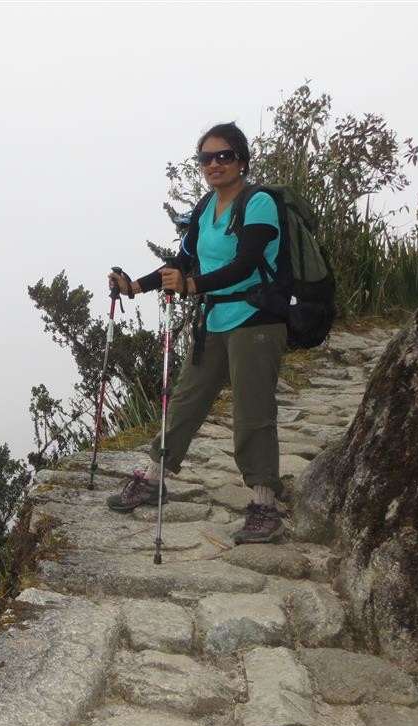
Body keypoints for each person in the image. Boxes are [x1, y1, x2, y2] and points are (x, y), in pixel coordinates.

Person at [106, 122, 286, 545]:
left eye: (223, 156)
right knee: (185, 399)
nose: (214, 164)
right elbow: (181, 261)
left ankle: (265, 504)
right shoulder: (207, 209)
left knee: (253, 411)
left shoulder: (258, 203)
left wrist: (192, 286)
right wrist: (136, 286)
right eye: (206, 158)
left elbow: (244, 263)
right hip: (217, 320)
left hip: (257, 320)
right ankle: (153, 480)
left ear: (241, 159)